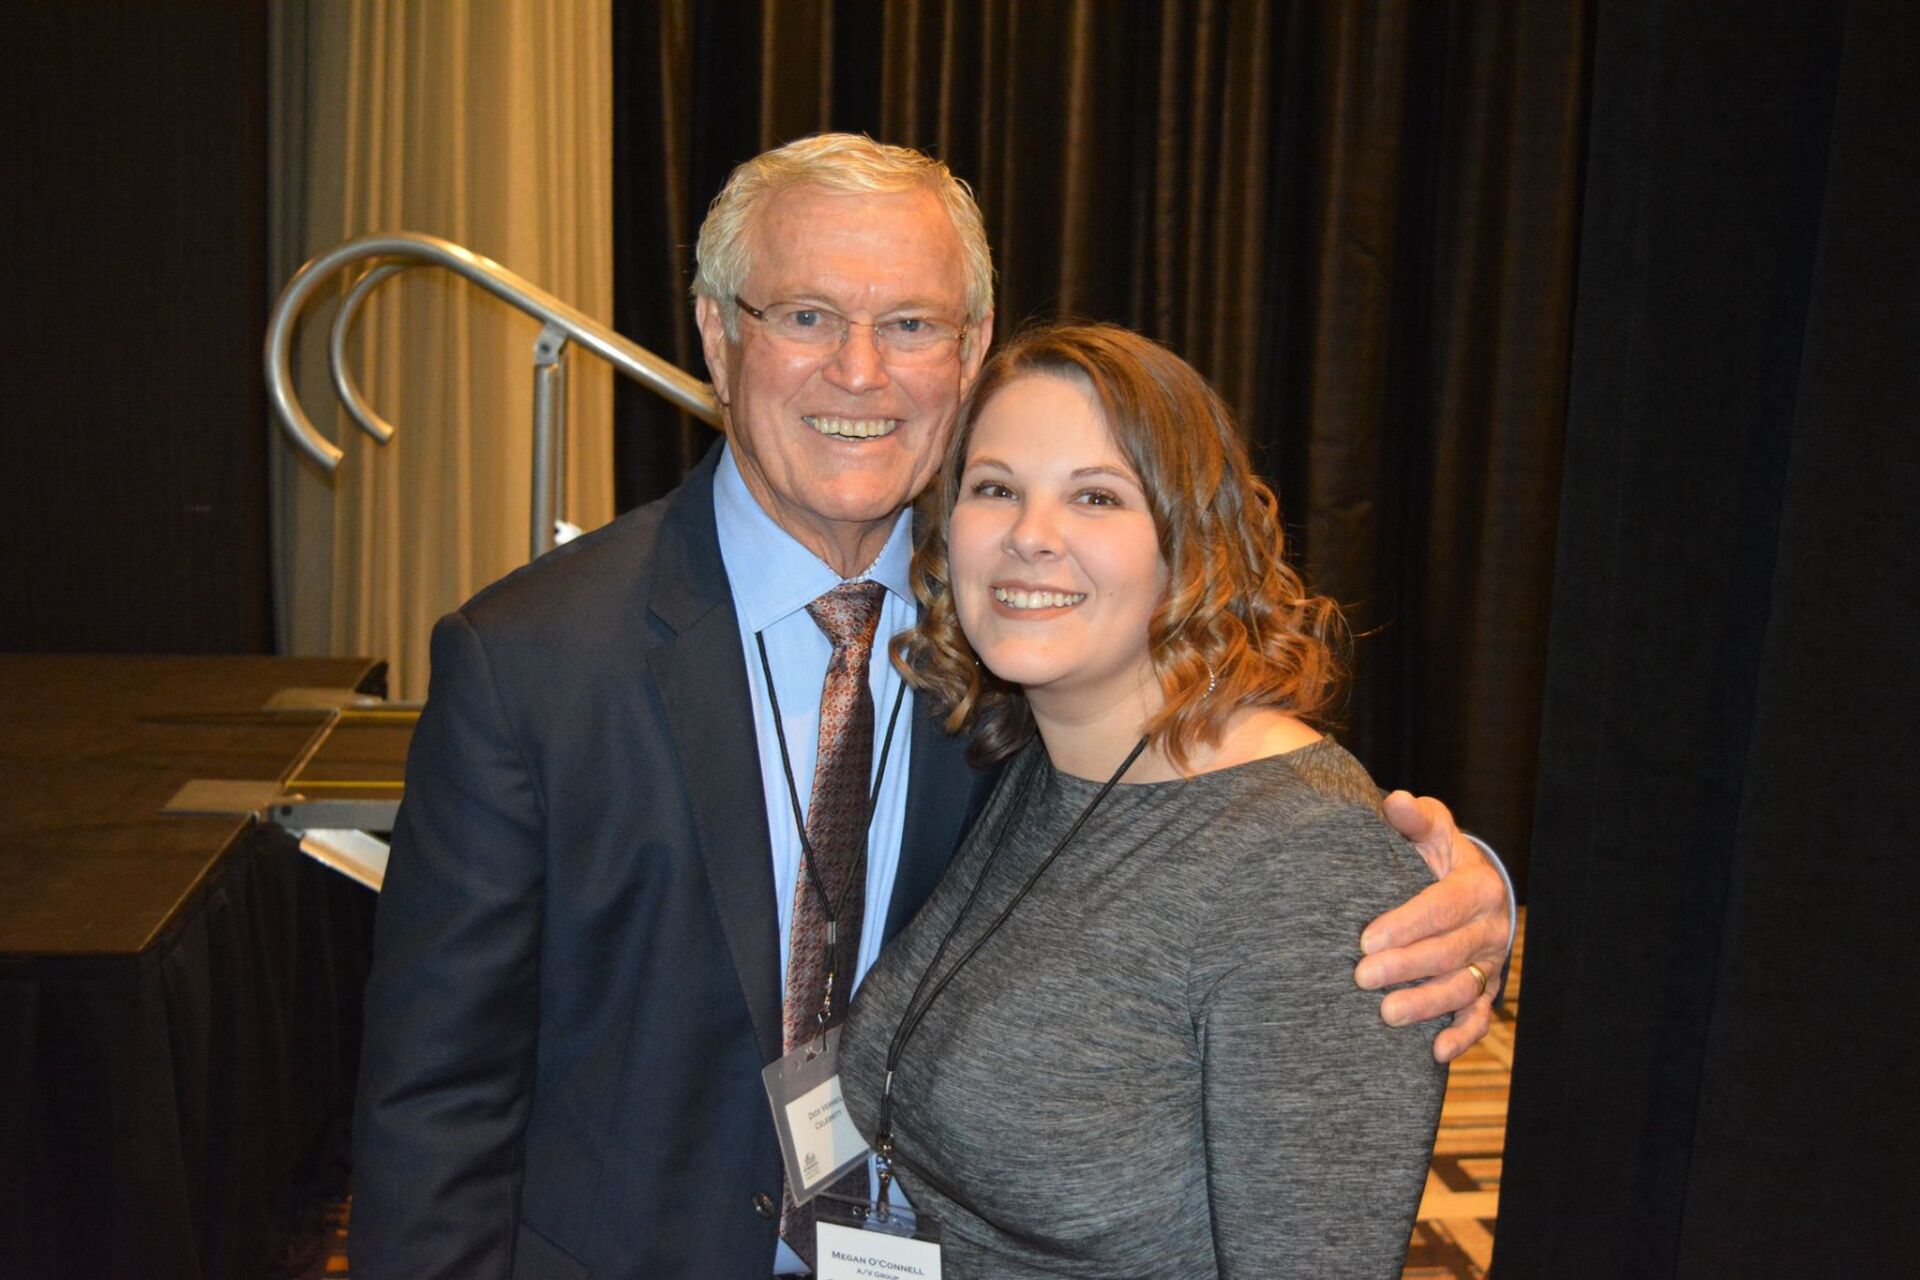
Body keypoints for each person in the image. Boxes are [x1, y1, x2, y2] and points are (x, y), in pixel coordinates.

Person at [351, 134, 1508, 1279]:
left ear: (971, 351)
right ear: (718, 334)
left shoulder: (1020, 639)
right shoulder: (532, 661)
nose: (861, 370)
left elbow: (1225, 823)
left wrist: (1463, 886)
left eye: (910, 323)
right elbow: (435, 1098)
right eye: (805, 314)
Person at [841, 322, 1444, 1277]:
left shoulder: (1304, 865)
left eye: (1096, 496)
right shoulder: (1039, 762)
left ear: (1192, 544)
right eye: (995, 488)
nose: (1030, 537)